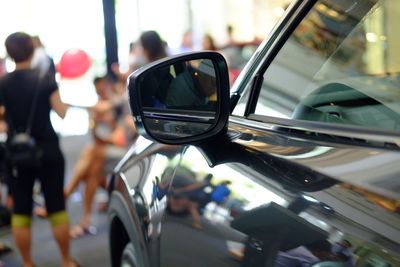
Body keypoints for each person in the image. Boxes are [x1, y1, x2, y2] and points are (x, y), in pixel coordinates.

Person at [0, 32, 78, 267]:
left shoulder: (2, 83)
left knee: (21, 211)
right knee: (56, 207)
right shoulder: (45, 78)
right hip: (48, 149)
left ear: (9, 53)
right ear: (32, 49)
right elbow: (62, 112)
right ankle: (65, 260)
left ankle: (27, 263)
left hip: (18, 154)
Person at [65, 75, 135, 238]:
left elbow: (118, 140)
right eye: (99, 91)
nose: (102, 93)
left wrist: (72, 105)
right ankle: (84, 221)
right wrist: (96, 125)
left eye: (104, 89)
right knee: (92, 171)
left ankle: (67, 195)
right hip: (115, 152)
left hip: (130, 153)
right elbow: (105, 140)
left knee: (93, 154)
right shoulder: (109, 108)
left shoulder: (121, 101)